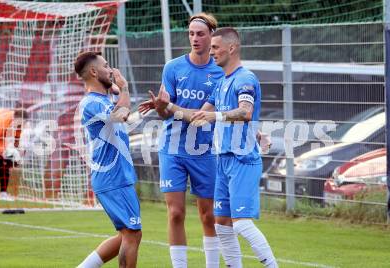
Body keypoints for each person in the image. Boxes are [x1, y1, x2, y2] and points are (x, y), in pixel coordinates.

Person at [148, 27, 278, 267]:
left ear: (231, 48)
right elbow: (197, 115)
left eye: (215, 47)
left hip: (241, 160)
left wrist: (216, 117)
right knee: (221, 226)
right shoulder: (222, 83)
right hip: (223, 161)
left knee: (240, 223)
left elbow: (245, 112)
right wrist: (166, 105)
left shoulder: (245, 78)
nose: (212, 51)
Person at [139, 13, 229, 268]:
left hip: (205, 150)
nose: (195, 38)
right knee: (176, 213)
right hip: (173, 148)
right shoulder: (173, 67)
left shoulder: (220, 73)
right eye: (191, 33)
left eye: (200, 34)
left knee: (209, 214)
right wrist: (160, 107)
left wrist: (171, 107)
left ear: (212, 35)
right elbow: (165, 111)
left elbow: (201, 117)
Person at [75, 51, 142, 268]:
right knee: (132, 234)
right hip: (112, 177)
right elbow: (120, 115)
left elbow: (123, 118)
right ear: (94, 72)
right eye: (106, 66)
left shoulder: (103, 100)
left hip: (116, 176)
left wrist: (141, 110)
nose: (111, 70)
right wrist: (124, 87)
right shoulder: (91, 102)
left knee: (128, 234)